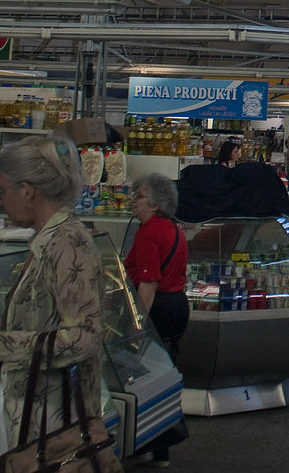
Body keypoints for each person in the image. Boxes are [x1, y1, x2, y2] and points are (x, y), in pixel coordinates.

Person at [0, 135, 102, 449]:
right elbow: (49, 322)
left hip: (56, 431)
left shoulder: (67, 244)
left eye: (2, 190)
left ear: (27, 191)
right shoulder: (48, 241)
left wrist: (5, 345)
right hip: (37, 424)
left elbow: (84, 337)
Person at [124, 173, 189, 468]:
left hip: (157, 307)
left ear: (154, 203)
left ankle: (146, 442)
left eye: (138, 196)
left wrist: (137, 324)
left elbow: (148, 282)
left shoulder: (148, 233)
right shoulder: (173, 230)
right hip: (177, 306)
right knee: (163, 376)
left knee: (143, 378)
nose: (133, 202)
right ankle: (160, 446)